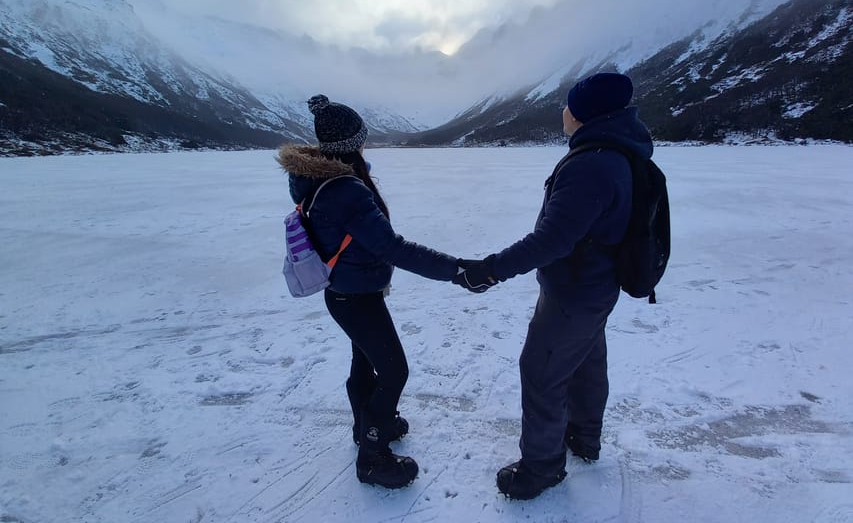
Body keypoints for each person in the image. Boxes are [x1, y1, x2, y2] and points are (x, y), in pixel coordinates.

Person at [454, 72, 654, 500]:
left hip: (575, 292)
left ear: (583, 113)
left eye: (568, 105)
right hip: (596, 286)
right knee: (585, 361)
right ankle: (583, 436)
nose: (562, 112)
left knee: (542, 371)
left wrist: (491, 269)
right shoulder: (616, 152)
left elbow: (552, 239)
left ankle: (541, 468)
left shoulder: (591, 164)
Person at [277, 94, 461, 490]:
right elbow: (391, 247)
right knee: (395, 371)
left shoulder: (321, 180)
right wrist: (456, 271)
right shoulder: (346, 190)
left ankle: (369, 427)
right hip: (354, 295)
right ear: (353, 143)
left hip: (347, 291)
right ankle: (373, 458)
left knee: (364, 361)